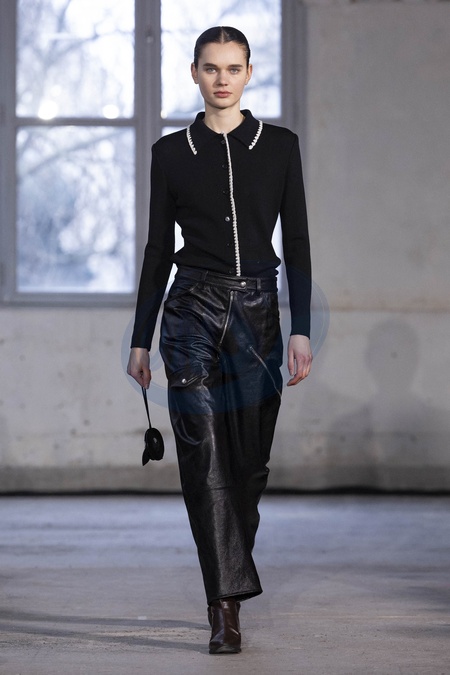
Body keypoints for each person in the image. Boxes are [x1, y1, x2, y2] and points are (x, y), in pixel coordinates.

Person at [127, 26, 312, 655]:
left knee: (247, 467)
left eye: (233, 68)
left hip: (259, 315)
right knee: (203, 456)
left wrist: (301, 328)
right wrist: (141, 339)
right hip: (191, 313)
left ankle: (226, 583)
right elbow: (157, 249)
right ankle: (223, 608)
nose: (222, 79)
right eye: (211, 68)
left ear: (249, 73)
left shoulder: (279, 147)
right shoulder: (171, 152)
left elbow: (298, 242)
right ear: (194, 73)